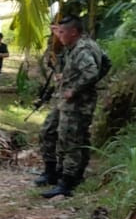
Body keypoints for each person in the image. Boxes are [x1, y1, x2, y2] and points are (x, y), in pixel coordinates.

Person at [42, 16, 107, 198]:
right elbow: (104, 64)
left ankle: (68, 181)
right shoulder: (81, 45)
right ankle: (65, 174)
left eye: (62, 33)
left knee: (71, 141)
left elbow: (91, 71)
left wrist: (74, 89)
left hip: (78, 103)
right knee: (68, 136)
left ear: (73, 32)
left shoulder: (82, 49)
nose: (59, 36)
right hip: (74, 102)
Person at [35, 22, 67, 188]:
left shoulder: (80, 49)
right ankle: (51, 170)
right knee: (48, 131)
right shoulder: (58, 51)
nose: (56, 35)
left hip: (73, 100)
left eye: (59, 31)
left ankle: (65, 174)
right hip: (59, 97)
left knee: (67, 137)